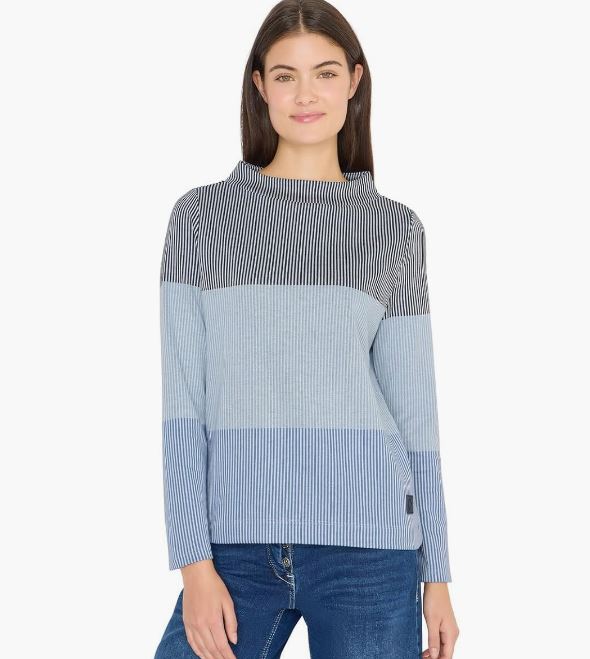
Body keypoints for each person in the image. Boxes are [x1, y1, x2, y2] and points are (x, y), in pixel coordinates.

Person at [155, 1, 460, 657]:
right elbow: (183, 408)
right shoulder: (201, 220)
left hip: (371, 545)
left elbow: (415, 414)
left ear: (354, 81)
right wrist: (193, 564)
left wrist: (436, 575)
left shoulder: (395, 229)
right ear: (259, 86)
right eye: (285, 75)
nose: (305, 94)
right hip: (233, 548)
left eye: (324, 73)